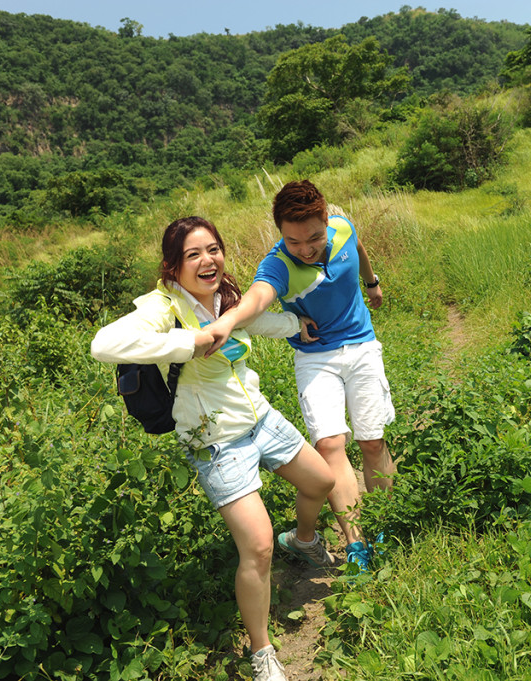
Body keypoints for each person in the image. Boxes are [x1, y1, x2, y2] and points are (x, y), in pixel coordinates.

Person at [90, 216, 337, 681]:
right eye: (193, 254)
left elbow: (255, 319)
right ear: (172, 267)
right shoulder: (164, 306)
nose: (208, 261)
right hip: (215, 441)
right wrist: (192, 340)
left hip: (261, 418)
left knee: (322, 481)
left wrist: (293, 324)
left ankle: (304, 542)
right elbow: (105, 343)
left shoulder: (226, 297)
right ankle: (263, 654)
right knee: (259, 546)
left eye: (214, 249)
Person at [203, 180, 396, 570]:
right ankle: (357, 545)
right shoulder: (278, 264)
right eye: (294, 241)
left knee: (372, 443)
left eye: (313, 238)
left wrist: (371, 283)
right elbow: (257, 298)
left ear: (326, 220)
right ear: (280, 235)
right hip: (315, 358)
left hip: (361, 346)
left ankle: (386, 526)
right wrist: (227, 322)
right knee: (329, 446)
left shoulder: (342, 227)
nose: (305, 249)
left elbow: (357, 248)